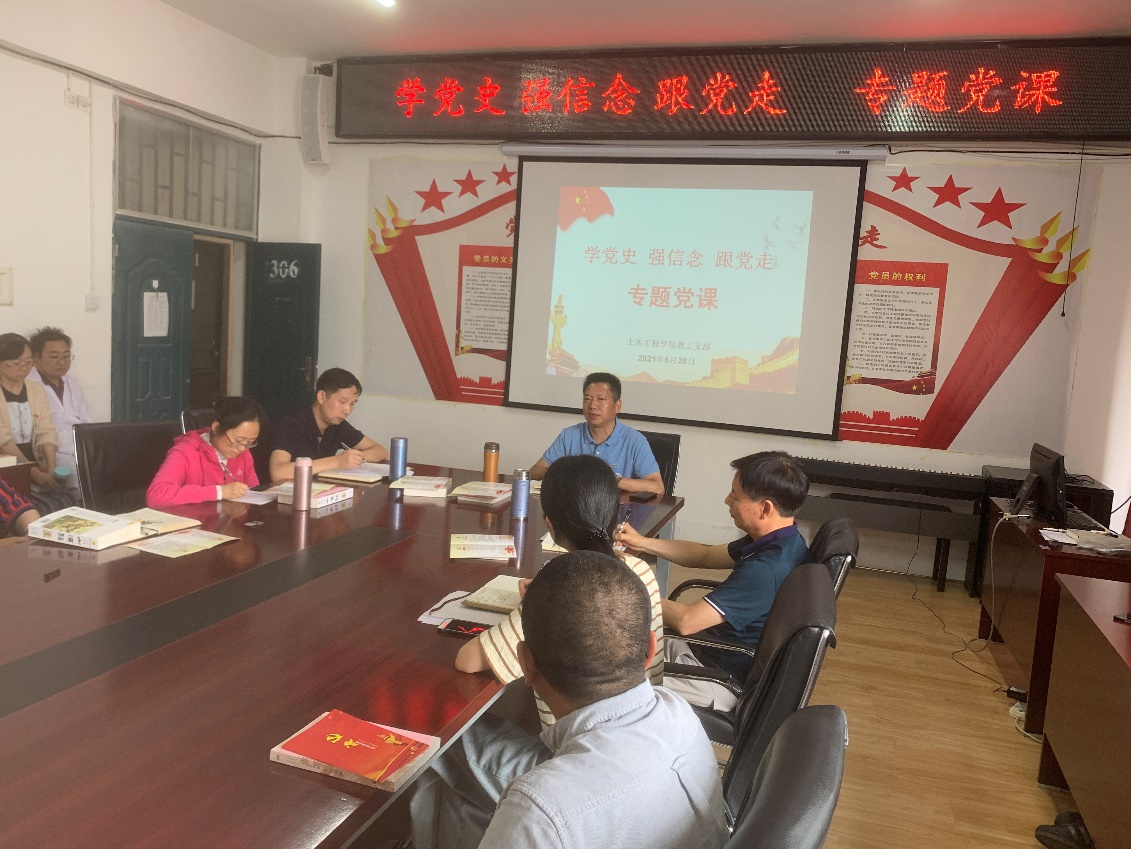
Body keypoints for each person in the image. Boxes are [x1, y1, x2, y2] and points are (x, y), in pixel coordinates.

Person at [419, 552, 728, 849]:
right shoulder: (681, 714)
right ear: (650, 649)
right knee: (466, 801)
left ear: (525, 663)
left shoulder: (540, 813)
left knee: (444, 749)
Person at [452, 454, 665, 728]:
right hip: (644, 728)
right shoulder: (640, 570)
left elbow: (467, 661)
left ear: (550, 524)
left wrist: (536, 603)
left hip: (573, 748)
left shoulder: (559, 591)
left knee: (462, 732)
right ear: (615, 513)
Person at [616, 450, 810, 711]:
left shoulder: (767, 569)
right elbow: (705, 555)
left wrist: (622, 592)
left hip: (717, 677)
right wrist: (642, 542)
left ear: (765, 508)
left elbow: (686, 621)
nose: (727, 500)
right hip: (706, 650)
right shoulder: (783, 540)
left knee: (605, 677)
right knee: (615, 644)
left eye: (735, 496)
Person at [529, 372, 664, 497]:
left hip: (616, 509)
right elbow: (535, 471)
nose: (592, 405)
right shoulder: (569, 435)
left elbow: (657, 487)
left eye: (601, 399)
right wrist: (567, 473)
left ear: (617, 406)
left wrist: (612, 479)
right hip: (574, 506)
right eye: (587, 399)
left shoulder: (634, 441)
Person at [268, 367, 388, 482]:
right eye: (343, 401)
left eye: (352, 404)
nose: (347, 410)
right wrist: (337, 461)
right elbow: (277, 473)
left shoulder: (338, 425)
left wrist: (356, 457)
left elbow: (382, 451)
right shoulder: (290, 424)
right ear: (321, 397)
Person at [146, 396, 263, 508]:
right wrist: (218, 492)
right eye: (238, 441)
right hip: (193, 520)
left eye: (250, 442)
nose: (242, 448)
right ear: (216, 428)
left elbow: (254, 492)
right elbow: (156, 495)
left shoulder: (243, 452)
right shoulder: (185, 451)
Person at [27, 327, 93, 497]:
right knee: (80, 475)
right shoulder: (28, 385)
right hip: (52, 452)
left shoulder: (73, 382)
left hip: (81, 445)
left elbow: (86, 420)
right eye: (54, 357)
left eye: (66, 356)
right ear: (36, 358)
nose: (62, 362)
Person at [0, 333, 62, 504]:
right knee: (32, 506)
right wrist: (30, 470)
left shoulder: (36, 389)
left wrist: (51, 466)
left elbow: (46, 429)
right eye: (16, 363)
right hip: (6, 464)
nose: (24, 367)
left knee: (64, 500)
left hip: (33, 461)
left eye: (28, 362)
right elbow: (3, 440)